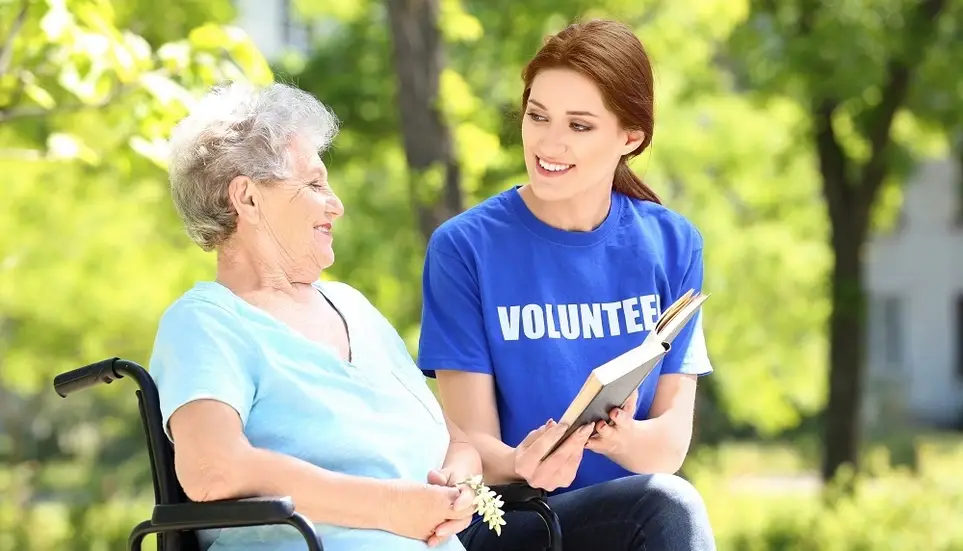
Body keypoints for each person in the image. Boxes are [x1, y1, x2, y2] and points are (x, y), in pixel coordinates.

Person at [418, 19, 717, 551]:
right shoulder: (464, 248)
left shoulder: (674, 244)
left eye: (579, 125)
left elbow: (670, 446)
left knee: (668, 501)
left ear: (631, 137)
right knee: (668, 505)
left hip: (633, 519)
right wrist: (523, 462)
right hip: (513, 519)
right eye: (537, 116)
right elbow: (469, 443)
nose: (548, 142)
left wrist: (622, 438)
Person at [148, 81, 482, 551]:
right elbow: (212, 469)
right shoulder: (206, 322)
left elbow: (456, 443)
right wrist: (390, 507)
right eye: (314, 183)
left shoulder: (353, 308)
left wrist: (460, 485)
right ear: (247, 198)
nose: (336, 205)